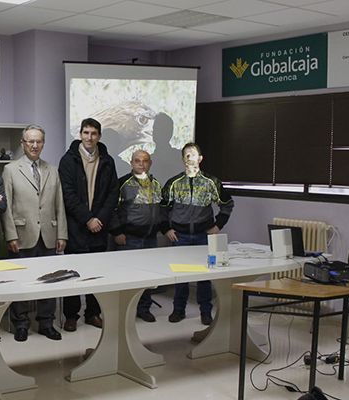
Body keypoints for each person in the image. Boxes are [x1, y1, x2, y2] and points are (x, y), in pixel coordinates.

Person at [1, 124, 66, 342]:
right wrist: (10, 235)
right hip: (22, 235)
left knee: (49, 281)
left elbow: (60, 204)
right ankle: (21, 323)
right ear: (23, 143)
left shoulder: (52, 169)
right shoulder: (10, 170)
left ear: (43, 144)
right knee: (21, 281)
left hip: (48, 234)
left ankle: (46, 323)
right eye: (30, 141)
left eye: (39, 141)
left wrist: (62, 234)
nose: (35, 145)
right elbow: (7, 206)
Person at [162, 143, 234, 326]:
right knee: (181, 276)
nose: (189, 159)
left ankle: (205, 312)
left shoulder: (212, 182)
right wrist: (166, 229)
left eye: (193, 155)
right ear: (182, 159)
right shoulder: (173, 183)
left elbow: (227, 204)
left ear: (200, 159)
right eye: (186, 156)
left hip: (204, 237)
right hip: (180, 237)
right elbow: (162, 209)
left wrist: (218, 226)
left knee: (204, 276)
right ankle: (178, 310)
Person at [58, 118, 118, 332]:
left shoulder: (108, 161)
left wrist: (99, 219)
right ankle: (71, 316)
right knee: (73, 275)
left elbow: (113, 193)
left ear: (99, 136)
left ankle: (92, 313)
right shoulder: (68, 160)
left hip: (99, 229)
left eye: (93, 133)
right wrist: (87, 219)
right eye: (86, 133)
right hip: (76, 227)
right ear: (80, 134)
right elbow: (68, 194)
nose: (89, 137)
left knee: (95, 275)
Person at [110, 150, 164, 322]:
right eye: (137, 161)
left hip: (150, 238)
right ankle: (124, 311)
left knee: (148, 276)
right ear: (131, 163)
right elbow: (112, 210)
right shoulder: (122, 183)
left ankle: (144, 308)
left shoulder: (155, 183)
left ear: (150, 163)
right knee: (127, 276)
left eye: (145, 161)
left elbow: (161, 209)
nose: (141, 164)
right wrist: (117, 232)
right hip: (129, 239)